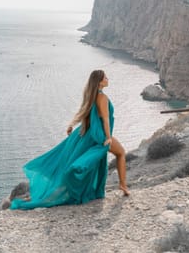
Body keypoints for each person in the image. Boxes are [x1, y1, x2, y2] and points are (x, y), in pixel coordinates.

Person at [10, 69, 129, 210]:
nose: (108, 79)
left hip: (88, 134)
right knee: (121, 153)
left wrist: (71, 124)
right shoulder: (102, 97)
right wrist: (108, 137)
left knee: (91, 160)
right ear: (99, 82)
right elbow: (105, 120)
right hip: (100, 135)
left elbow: (83, 112)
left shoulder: (91, 96)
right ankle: (123, 185)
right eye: (105, 77)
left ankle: (106, 186)